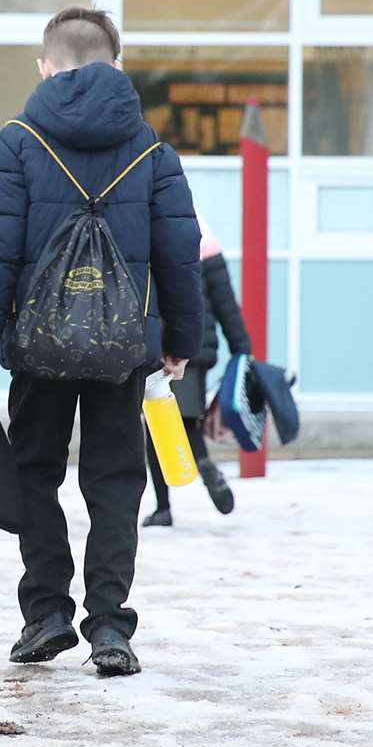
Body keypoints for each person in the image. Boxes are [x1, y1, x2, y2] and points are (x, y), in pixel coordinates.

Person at [0, 6, 202, 678]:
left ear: (45, 66)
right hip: (122, 347)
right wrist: (179, 339)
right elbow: (179, 255)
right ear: (115, 65)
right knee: (115, 479)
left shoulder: (15, 143)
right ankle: (109, 627)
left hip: (36, 345)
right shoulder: (153, 151)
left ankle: (45, 613)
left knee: (33, 471)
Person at [143, 216, 249, 526]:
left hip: (163, 343)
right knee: (185, 419)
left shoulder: (150, 226)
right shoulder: (204, 233)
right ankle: (204, 468)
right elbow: (225, 301)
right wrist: (242, 348)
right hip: (198, 346)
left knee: (157, 423)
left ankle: (165, 505)